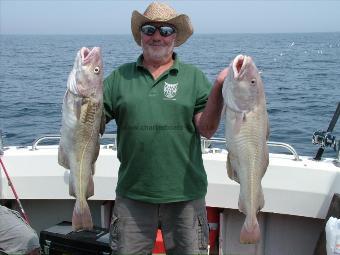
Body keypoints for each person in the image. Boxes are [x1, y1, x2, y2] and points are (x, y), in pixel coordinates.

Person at [104, 2, 228, 254]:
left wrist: (219, 88)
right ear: (140, 35)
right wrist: (80, 96)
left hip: (186, 196)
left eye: (166, 30)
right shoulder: (119, 78)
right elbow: (91, 125)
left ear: (175, 37)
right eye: (149, 29)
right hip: (132, 196)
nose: (157, 36)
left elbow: (207, 129)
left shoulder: (193, 78)